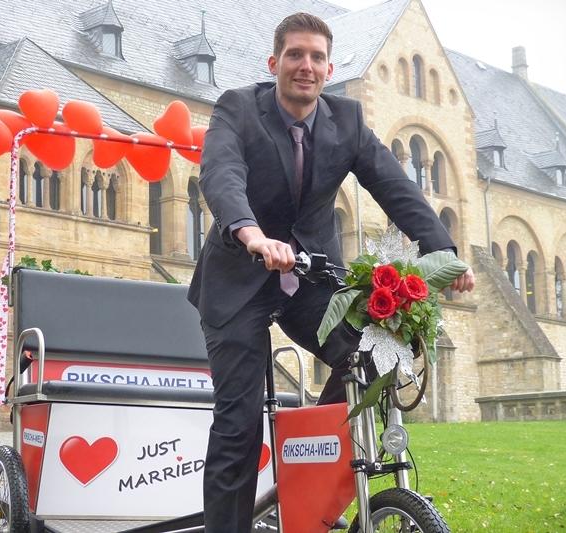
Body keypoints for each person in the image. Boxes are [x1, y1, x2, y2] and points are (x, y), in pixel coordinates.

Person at [187, 12, 475, 532]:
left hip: (313, 281)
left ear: (329, 66)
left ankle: (310, 460)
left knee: (371, 355)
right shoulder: (238, 109)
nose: (306, 65)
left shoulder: (347, 121)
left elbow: (394, 186)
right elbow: (221, 174)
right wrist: (251, 234)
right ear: (274, 62)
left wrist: (444, 252)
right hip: (238, 281)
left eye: (317, 57)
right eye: (295, 55)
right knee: (239, 424)